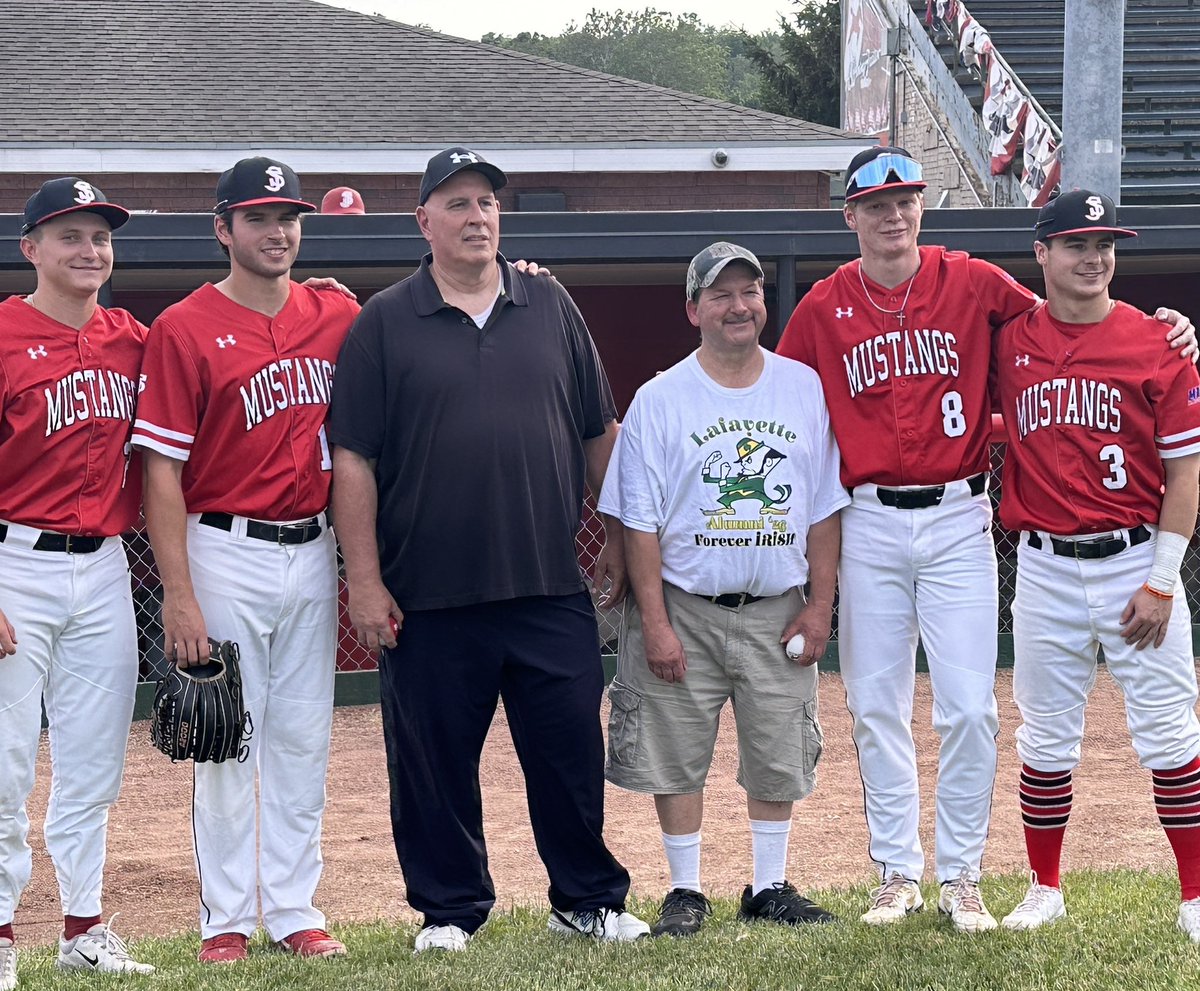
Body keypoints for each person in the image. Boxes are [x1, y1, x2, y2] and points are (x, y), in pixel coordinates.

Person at [775, 146, 1195, 932]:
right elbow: (779, 393)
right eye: (876, 205)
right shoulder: (825, 305)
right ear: (851, 216)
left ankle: (962, 875)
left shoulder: (971, 280)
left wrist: (1167, 325)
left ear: (921, 206)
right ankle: (897, 872)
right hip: (867, 518)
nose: (893, 215)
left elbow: (1070, 314)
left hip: (959, 513)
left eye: (905, 199)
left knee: (970, 708)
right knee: (874, 704)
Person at [328, 146, 645, 953]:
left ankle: (586, 900)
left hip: (547, 585)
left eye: (487, 203)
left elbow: (599, 432)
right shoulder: (383, 322)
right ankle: (449, 910)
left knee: (570, 754)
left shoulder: (549, 303)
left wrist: (613, 534)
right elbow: (354, 459)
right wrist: (363, 580)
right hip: (427, 594)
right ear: (424, 221)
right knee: (432, 767)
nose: (477, 217)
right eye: (459, 203)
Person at [131, 157, 359, 964]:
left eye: (288, 216)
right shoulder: (183, 326)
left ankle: (295, 909)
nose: (277, 231)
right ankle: (224, 919)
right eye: (258, 217)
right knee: (225, 736)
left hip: (313, 546)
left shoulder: (336, 313)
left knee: (302, 736)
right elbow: (161, 471)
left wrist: (523, 277)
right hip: (222, 545)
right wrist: (178, 593)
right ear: (222, 229)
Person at [600, 243, 849, 937]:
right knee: (674, 748)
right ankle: (685, 889)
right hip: (687, 604)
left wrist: (820, 605)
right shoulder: (660, 398)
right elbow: (639, 522)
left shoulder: (802, 387)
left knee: (778, 744)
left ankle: (768, 885)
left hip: (777, 605)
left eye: (750, 292)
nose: (739, 306)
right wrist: (654, 623)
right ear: (693, 309)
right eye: (720, 295)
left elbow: (824, 509)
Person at [992, 190, 1200, 939]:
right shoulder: (1009, 339)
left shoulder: (1158, 340)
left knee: (1171, 733)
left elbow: (1185, 474)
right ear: (1041, 253)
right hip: (1045, 565)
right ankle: (1044, 887)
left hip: (1135, 557)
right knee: (1045, 736)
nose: (1094, 257)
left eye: (1105, 244)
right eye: (1076, 244)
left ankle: (1195, 896)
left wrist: (1161, 581)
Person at [0, 178, 155, 987]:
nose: (89, 250)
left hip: (103, 566)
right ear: (30, 249)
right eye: (70, 236)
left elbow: (224, 340)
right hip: (12, 561)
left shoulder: (134, 339)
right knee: (4, 763)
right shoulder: (2, 333)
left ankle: (83, 927)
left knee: (93, 760)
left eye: (100, 236)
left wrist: (326, 296)